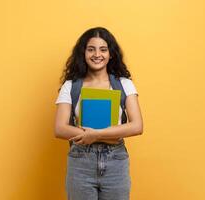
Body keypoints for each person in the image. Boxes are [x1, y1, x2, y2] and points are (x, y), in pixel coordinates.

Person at [54, 27, 143, 200]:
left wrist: (96, 135)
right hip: (80, 161)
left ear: (111, 54)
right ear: (83, 53)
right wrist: (107, 136)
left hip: (116, 161)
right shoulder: (71, 86)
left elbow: (137, 126)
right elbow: (60, 128)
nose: (97, 54)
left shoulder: (124, 84)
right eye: (91, 49)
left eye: (103, 49)